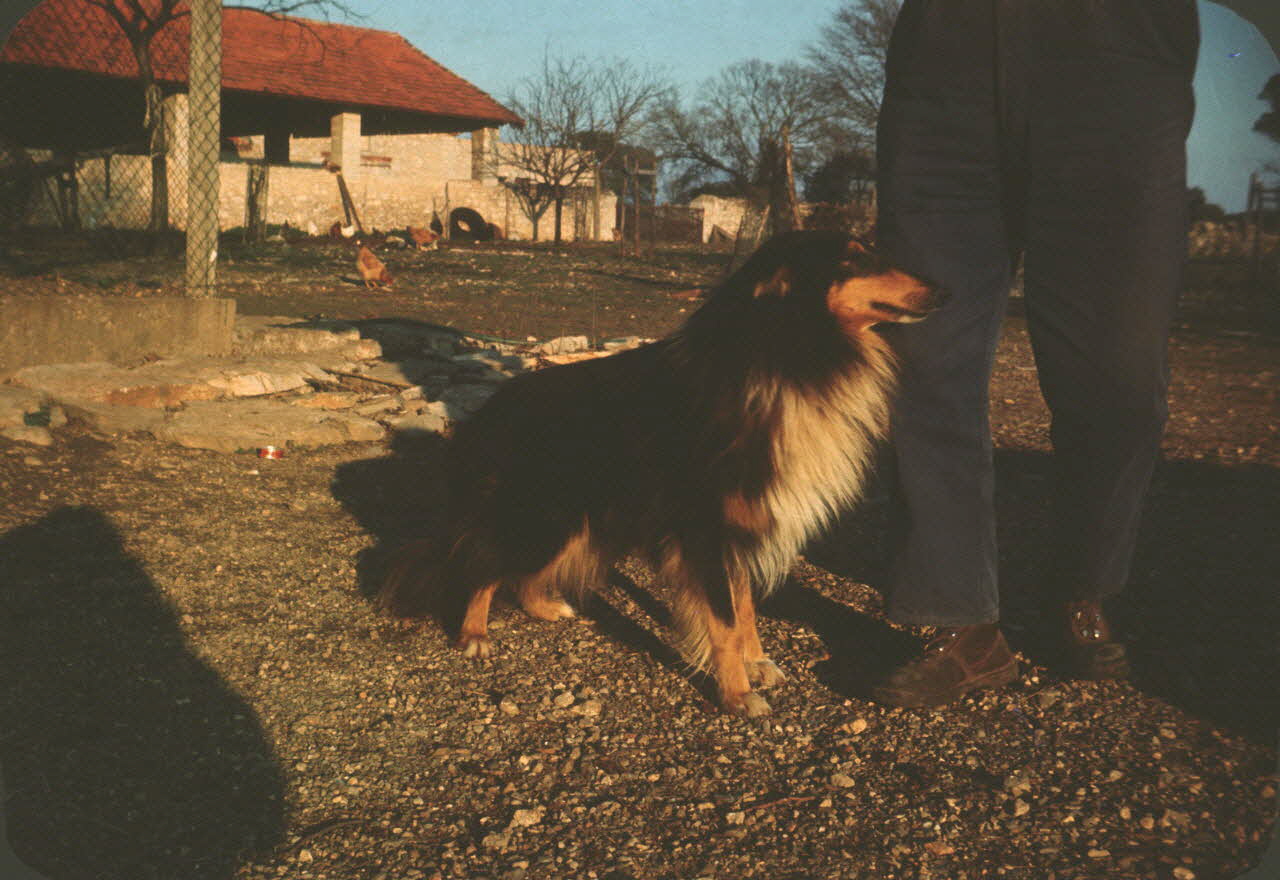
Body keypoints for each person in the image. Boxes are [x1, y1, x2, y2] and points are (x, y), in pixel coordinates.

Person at [871, 0, 1201, 707]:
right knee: (921, 355)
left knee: (1119, 370)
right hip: (944, 64)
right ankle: (957, 618)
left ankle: (1086, 586)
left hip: (1116, 61)